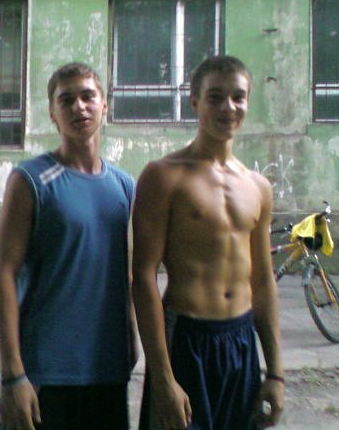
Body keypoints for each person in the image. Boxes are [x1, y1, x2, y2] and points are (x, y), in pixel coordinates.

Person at [132, 55, 284, 430]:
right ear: (195, 101)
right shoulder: (164, 176)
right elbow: (143, 277)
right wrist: (163, 378)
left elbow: (263, 281)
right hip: (186, 339)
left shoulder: (258, 187)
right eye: (215, 97)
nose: (228, 107)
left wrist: (276, 374)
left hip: (241, 342)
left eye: (238, 97)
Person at [0, 62, 136, 430]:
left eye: (88, 96)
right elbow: (4, 275)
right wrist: (13, 375)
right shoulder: (32, 180)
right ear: (53, 114)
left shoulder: (124, 185)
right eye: (66, 100)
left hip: (107, 370)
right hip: (46, 373)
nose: (78, 107)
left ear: (105, 105)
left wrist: (130, 338)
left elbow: (126, 275)